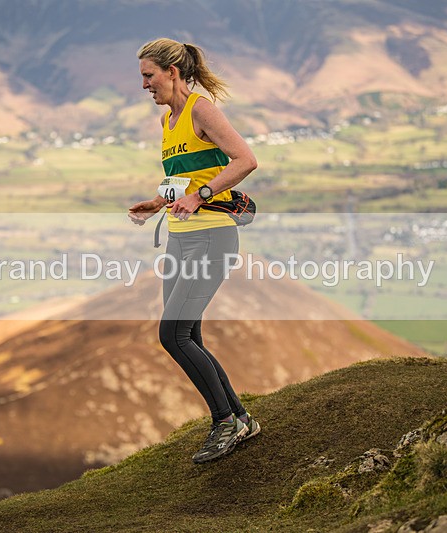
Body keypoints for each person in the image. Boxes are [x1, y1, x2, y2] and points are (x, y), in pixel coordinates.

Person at [128, 38, 260, 463]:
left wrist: (202, 194)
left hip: (212, 236)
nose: (145, 84)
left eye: (149, 76)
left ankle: (227, 422)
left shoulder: (201, 108)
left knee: (173, 334)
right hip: (181, 237)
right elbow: (183, 181)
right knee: (189, 334)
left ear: (172, 72)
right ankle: (240, 419)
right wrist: (159, 202)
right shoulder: (169, 121)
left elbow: (244, 160)